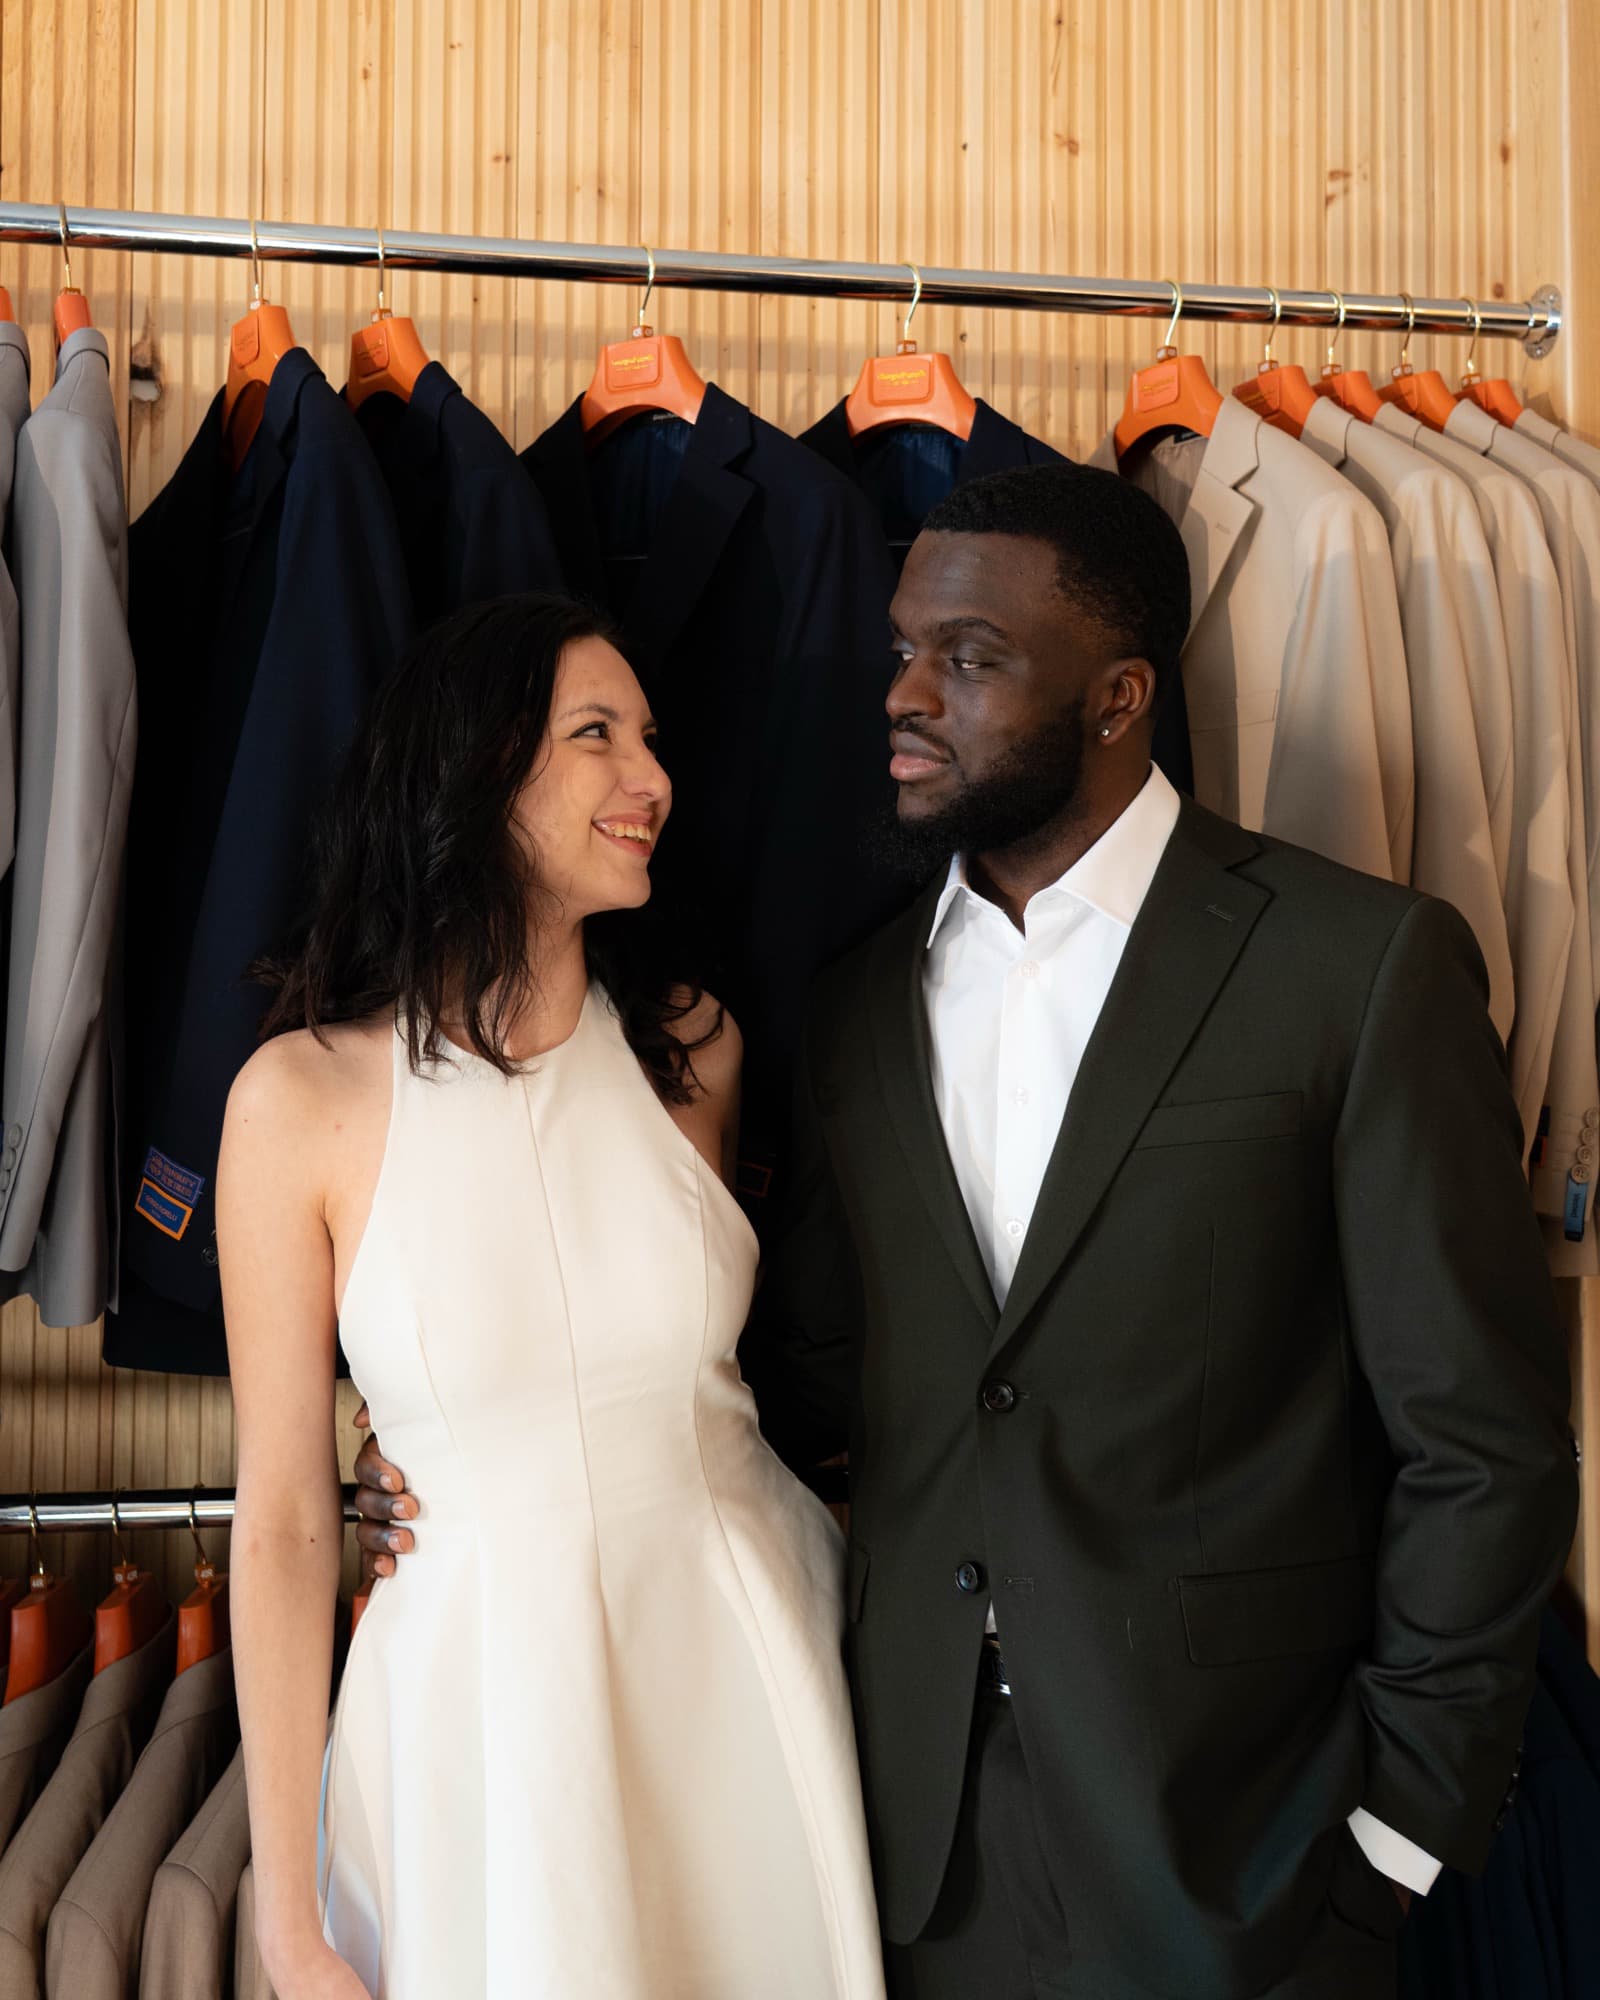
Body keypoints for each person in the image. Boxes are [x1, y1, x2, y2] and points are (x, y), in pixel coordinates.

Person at [353, 470, 1578, 2000]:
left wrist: (1399, 1831)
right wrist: (461, 1436)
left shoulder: (1358, 967)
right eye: (903, 651)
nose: (908, 695)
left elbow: (1487, 1442)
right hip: (912, 1847)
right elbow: (798, 1384)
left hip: (1251, 1850)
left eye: (973, 658)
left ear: (1121, 696)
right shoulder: (856, 1007)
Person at [220, 594, 887, 2000]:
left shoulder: (692, 1055)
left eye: (650, 738)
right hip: (476, 1715)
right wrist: (288, 1922)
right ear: (473, 769)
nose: (652, 779)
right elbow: (283, 1519)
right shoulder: (301, 1102)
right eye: (598, 736)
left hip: (735, 1663)